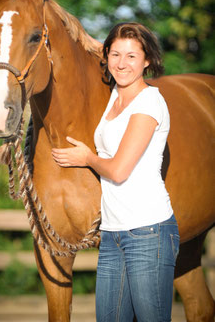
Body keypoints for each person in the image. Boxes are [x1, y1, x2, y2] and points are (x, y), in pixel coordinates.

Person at [52, 22, 180, 322]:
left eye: (132, 56)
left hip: (149, 232)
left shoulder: (149, 102)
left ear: (147, 60)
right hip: (112, 235)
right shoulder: (115, 95)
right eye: (115, 54)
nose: (122, 63)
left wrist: (87, 157)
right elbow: (86, 47)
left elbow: (119, 170)